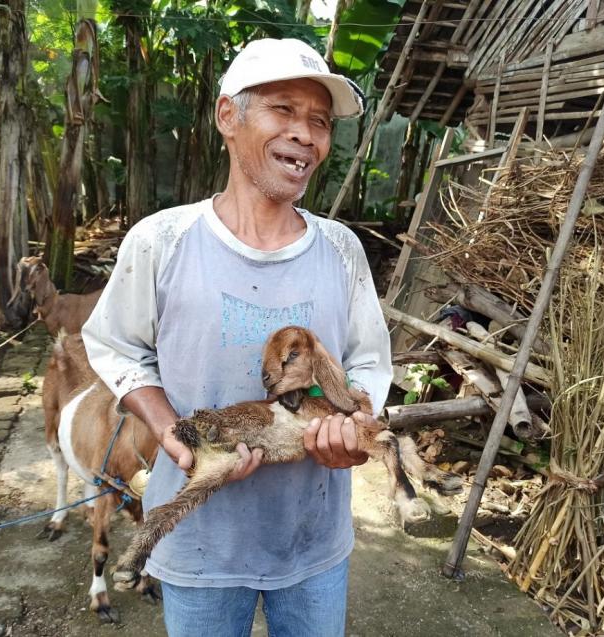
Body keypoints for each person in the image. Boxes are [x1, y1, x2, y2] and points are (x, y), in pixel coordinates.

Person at [82, 37, 392, 636]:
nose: (306, 134)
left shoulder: (340, 250)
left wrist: (352, 429)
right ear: (229, 116)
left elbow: (369, 363)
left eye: (320, 122)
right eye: (284, 110)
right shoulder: (161, 241)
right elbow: (119, 347)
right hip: (201, 546)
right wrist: (170, 428)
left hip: (312, 542)